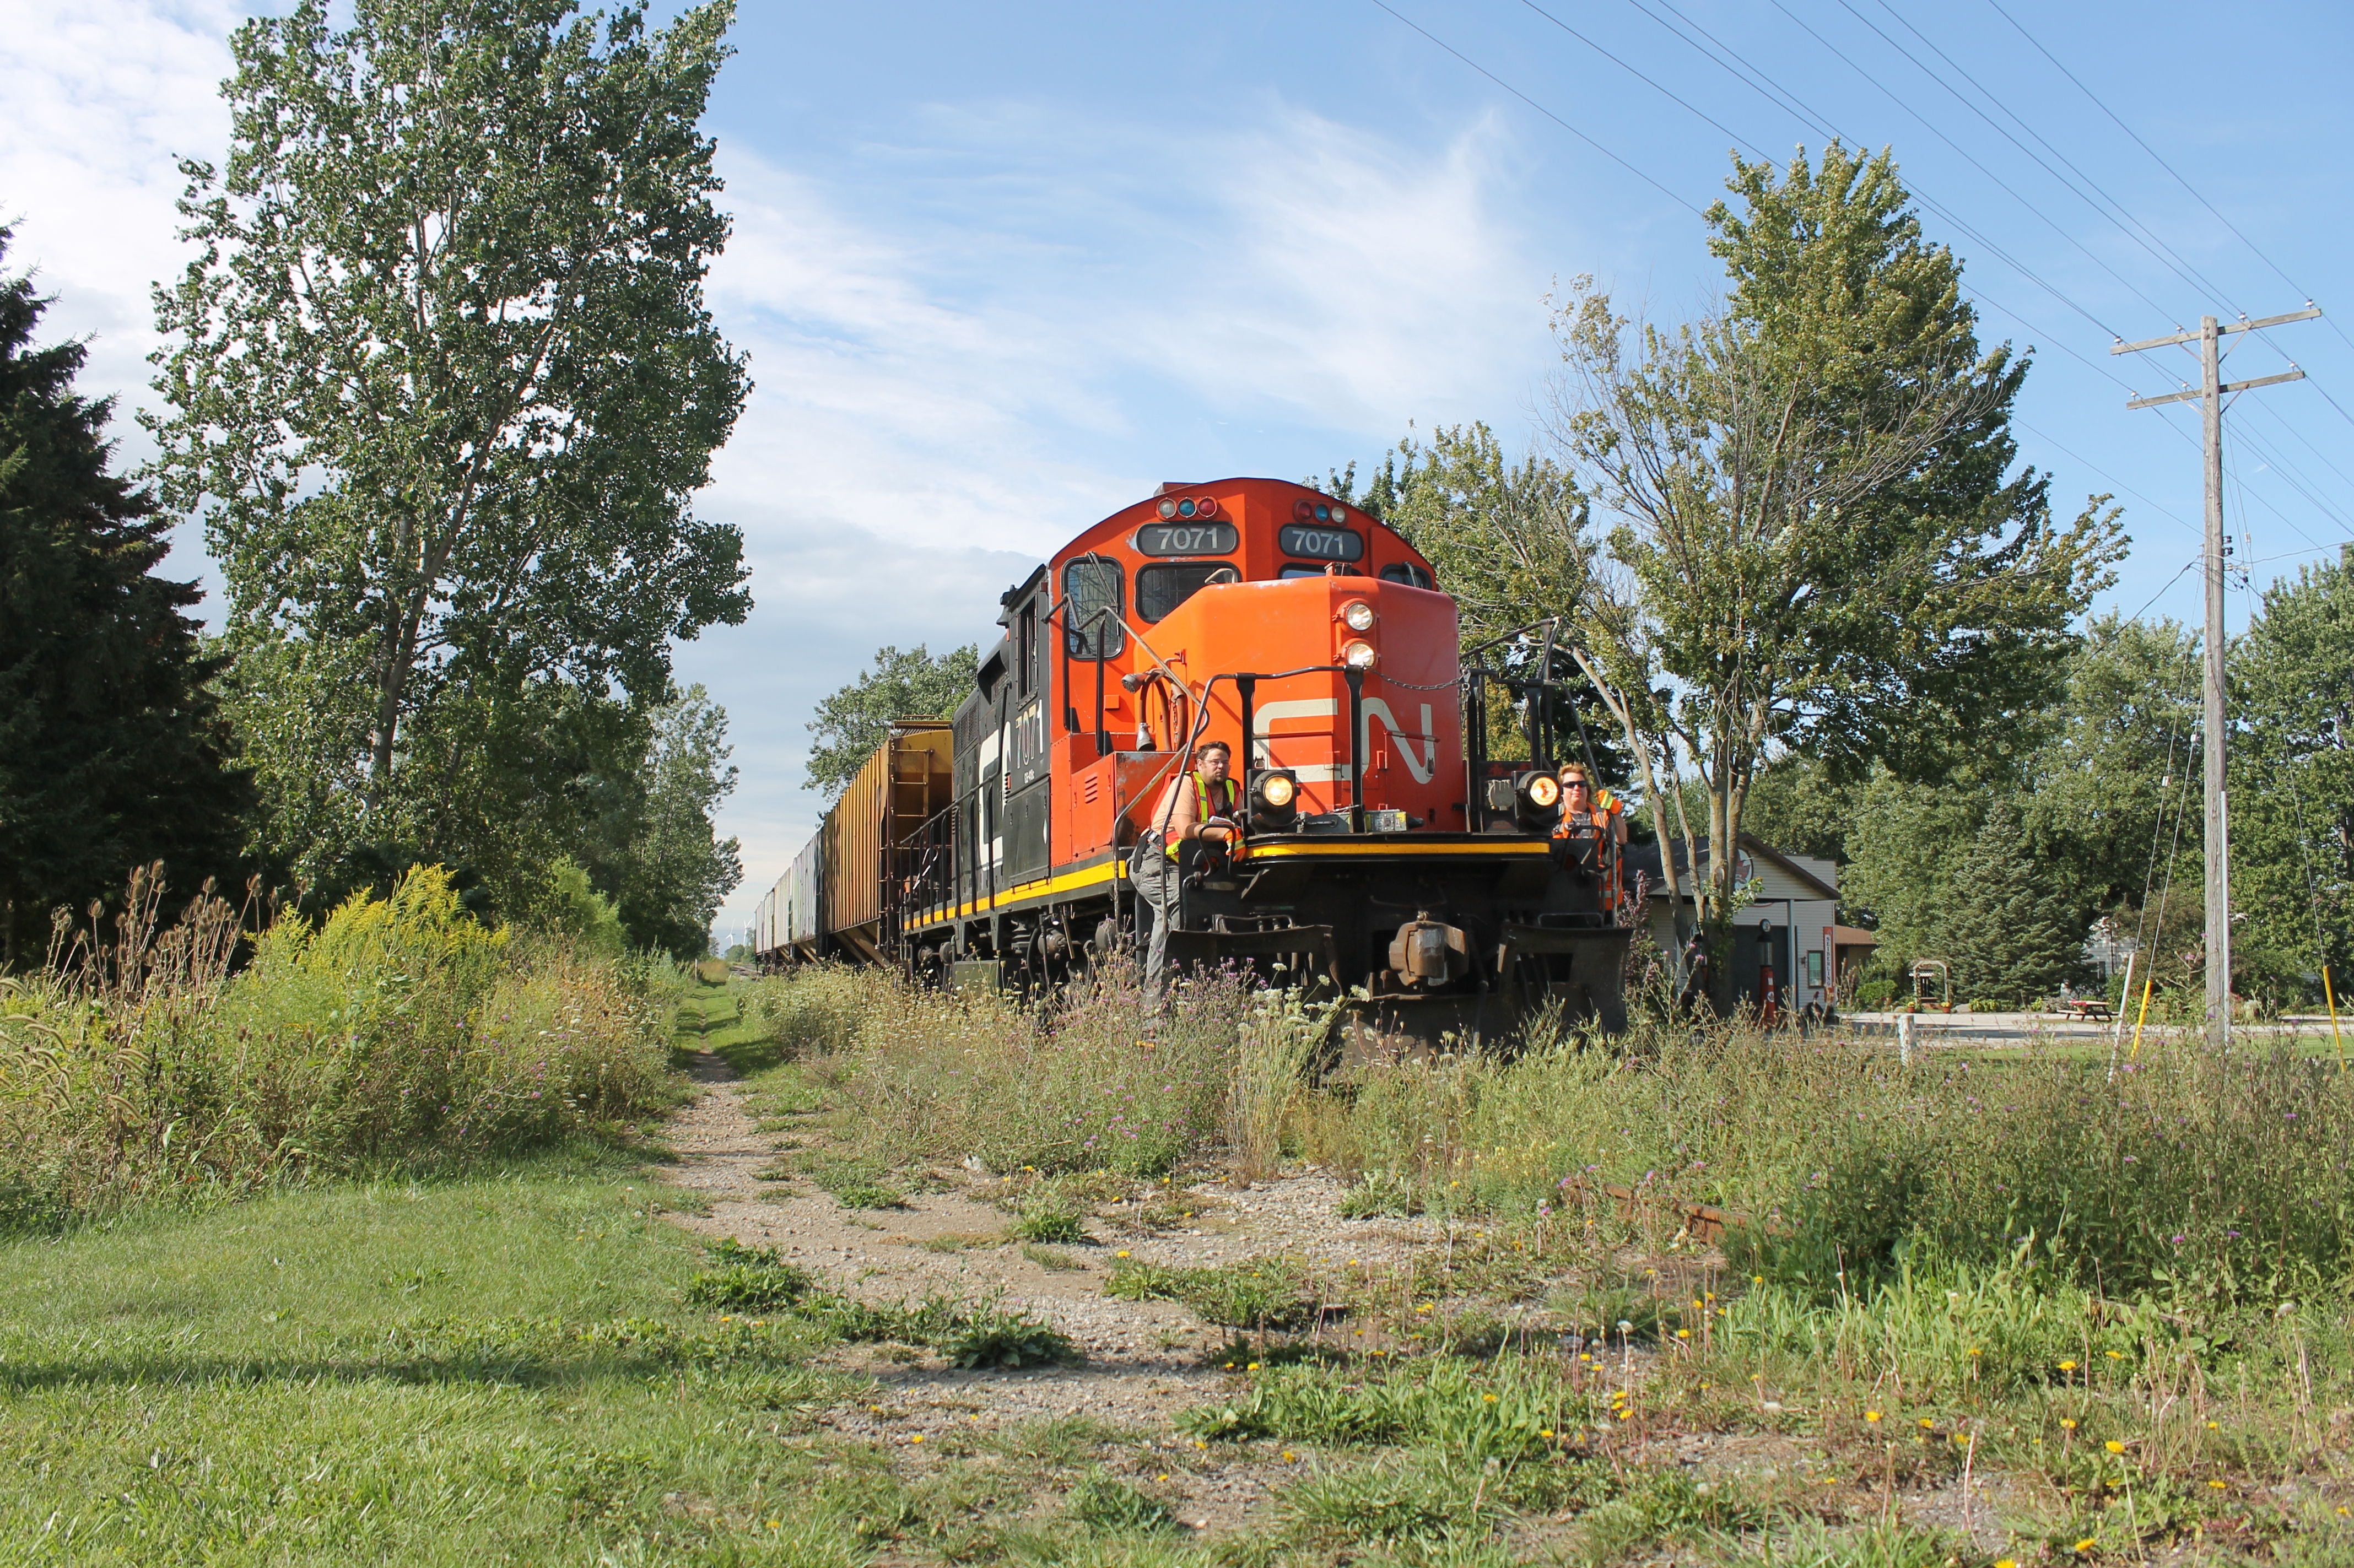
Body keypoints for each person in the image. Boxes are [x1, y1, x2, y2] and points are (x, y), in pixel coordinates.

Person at [1129, 739, 1240, 1001]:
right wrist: (1228, 832)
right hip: (1155, 863)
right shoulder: (1186, 785)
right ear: (1200, 764)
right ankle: (1155, 1004)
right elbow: (1184, 830)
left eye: (1225, 761)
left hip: (1191, 866)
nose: (1221, 766)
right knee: (1179, 905)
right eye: (1215, 761)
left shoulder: (1233, 790)